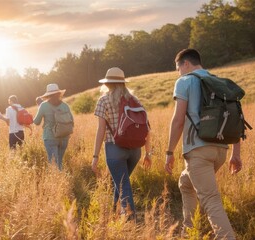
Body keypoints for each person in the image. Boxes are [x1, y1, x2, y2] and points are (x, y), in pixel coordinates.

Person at [165, 49, 242, 239]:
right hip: (221, 151)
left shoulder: (185, 81)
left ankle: (226, 237)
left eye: (178, 68)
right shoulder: (219, 82)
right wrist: (236, 153)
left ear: (186, 64)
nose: (179, 73)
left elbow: (178, 120)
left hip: (198, 151)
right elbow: (235, 119)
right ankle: (188, 231)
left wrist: (169, 151)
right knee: (185, 183)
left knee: (211, 200)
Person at [91, 67, 152, 220]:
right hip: (135, 151)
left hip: (114, 149)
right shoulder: (135, 100)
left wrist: (95, 156)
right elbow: (147, 128)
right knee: (121, 181)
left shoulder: (104, 100)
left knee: (123, 184)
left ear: (108, 83)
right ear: (123, 83)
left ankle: (131, 221)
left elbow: (101, 130)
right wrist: (148, 153)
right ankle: (114, 210)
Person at [33, 83, 73, 170]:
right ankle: (62, 179)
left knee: (54, 164)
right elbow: (72, 121)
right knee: (59, 162)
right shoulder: (65, 105)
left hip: (50, 137)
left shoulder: (43, 105)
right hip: (64, 137)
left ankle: (57, 181)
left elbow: (36, 122)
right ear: (59, 94)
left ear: (48, 95)